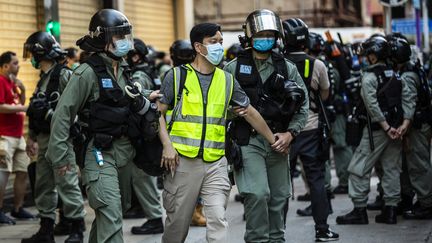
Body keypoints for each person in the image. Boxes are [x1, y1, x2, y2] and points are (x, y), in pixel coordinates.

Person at [158, 22, 276, 243]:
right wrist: (167, 145)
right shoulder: (176, 77)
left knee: (218, 220)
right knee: (177, 227)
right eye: (213, 42)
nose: (218, 47)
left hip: (216, 162)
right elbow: (158, 114)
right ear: (198, 47)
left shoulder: (227, 80)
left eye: (220, 42)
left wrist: (274, 141)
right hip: (182, 162)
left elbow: (249, 112)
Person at [224, 10, 309, 242]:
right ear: (249, 37)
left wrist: (291, 133)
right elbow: (220, 105)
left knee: (279, 196)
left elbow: (303, 104)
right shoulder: (232, 68)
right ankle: (257, 240)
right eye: (260, 34)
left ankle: (276, 239)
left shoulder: (287, 67)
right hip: (248, 141)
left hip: (279, 142)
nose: (265, 39)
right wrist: (234, 112)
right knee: (257, 193)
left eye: (270, 35)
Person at [21, 31, 85, 243]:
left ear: (41, 53)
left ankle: (76, 228)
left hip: (60, 140)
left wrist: (49, 113)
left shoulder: (64, 75)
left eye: (32, 52)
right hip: (43, 140)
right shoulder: (43, 80)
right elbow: (35, 110)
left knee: (67, 183)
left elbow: (76, 110)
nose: (30, 57)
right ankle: (46, 229)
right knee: (43, 185)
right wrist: (31, 137)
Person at [336, 35, 406, 225]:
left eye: (368, 54)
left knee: (358, 168)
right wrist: (400, 127)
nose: (365, 58)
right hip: (396, 130)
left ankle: (359, 210)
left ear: (374, 56)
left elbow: (372, 106)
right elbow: (405, 101)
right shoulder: (395, 74)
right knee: (391, 169)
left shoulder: (369, 77)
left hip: (377, 131)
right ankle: (391, 210)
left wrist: (386, 127)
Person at [283, 18, 339, 241]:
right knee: (316, 179)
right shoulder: (316, 65)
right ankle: (322, 229)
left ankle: (278, 233)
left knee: (281, 184)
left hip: (282, 133)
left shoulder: (276, 63)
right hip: (310, 128)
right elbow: (325, 95)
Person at [388, 36, 432, 219]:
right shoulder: (414, 69)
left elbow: (409, 104)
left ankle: (427, 204)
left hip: (418, 127)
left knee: (418, 165)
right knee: (415, 164)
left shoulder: (407, 76)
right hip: (421, 125)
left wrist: (405, 125)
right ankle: (422, 200)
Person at [125, 37, 164, 235]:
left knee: (142, 178)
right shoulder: (149, 70)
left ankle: (155, 219)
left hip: (142, 135)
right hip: (148, 133)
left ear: (136, 56)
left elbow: (135, 101)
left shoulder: (139, 75)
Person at [0, 51, 34, 225]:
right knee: (3, 174)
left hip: (18, 135)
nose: (18, 66)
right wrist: (25, 107)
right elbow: (1, 107)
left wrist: (23, 89)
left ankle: (17, 208)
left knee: (22, 172)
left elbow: (18, 104)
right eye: (14, 63)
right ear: (5, 66)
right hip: (4, 136)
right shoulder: (0, 81)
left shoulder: (12, 82)